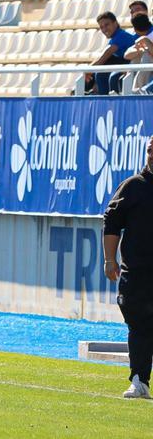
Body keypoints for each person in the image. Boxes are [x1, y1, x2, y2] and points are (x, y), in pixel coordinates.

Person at [103, 135, 153, 399]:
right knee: (140, 324)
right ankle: (140, 380)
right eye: (150, 150)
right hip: (138, 272)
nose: (152, 154)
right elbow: (111, 223)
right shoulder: (133, 187)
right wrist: (110, 260)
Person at [86, 12, 136, 95]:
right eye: (101, 27)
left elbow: (104, 56)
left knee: (100, 73)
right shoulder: (114, 38)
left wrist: (87, 72)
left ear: (115, 23)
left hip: (131, 73)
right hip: (126, 70)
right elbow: (102, 57)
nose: (104, 29)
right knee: (98, 74)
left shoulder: (121, 36)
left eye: (107, 25)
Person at [124, 14, 153, 94]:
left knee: (146, 54)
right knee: (137, 56)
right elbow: (126, 55)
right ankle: (136, 90)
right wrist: (140, 50)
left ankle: (138, 90)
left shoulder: (146, 37)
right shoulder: (147, 35)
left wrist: (146, 41)